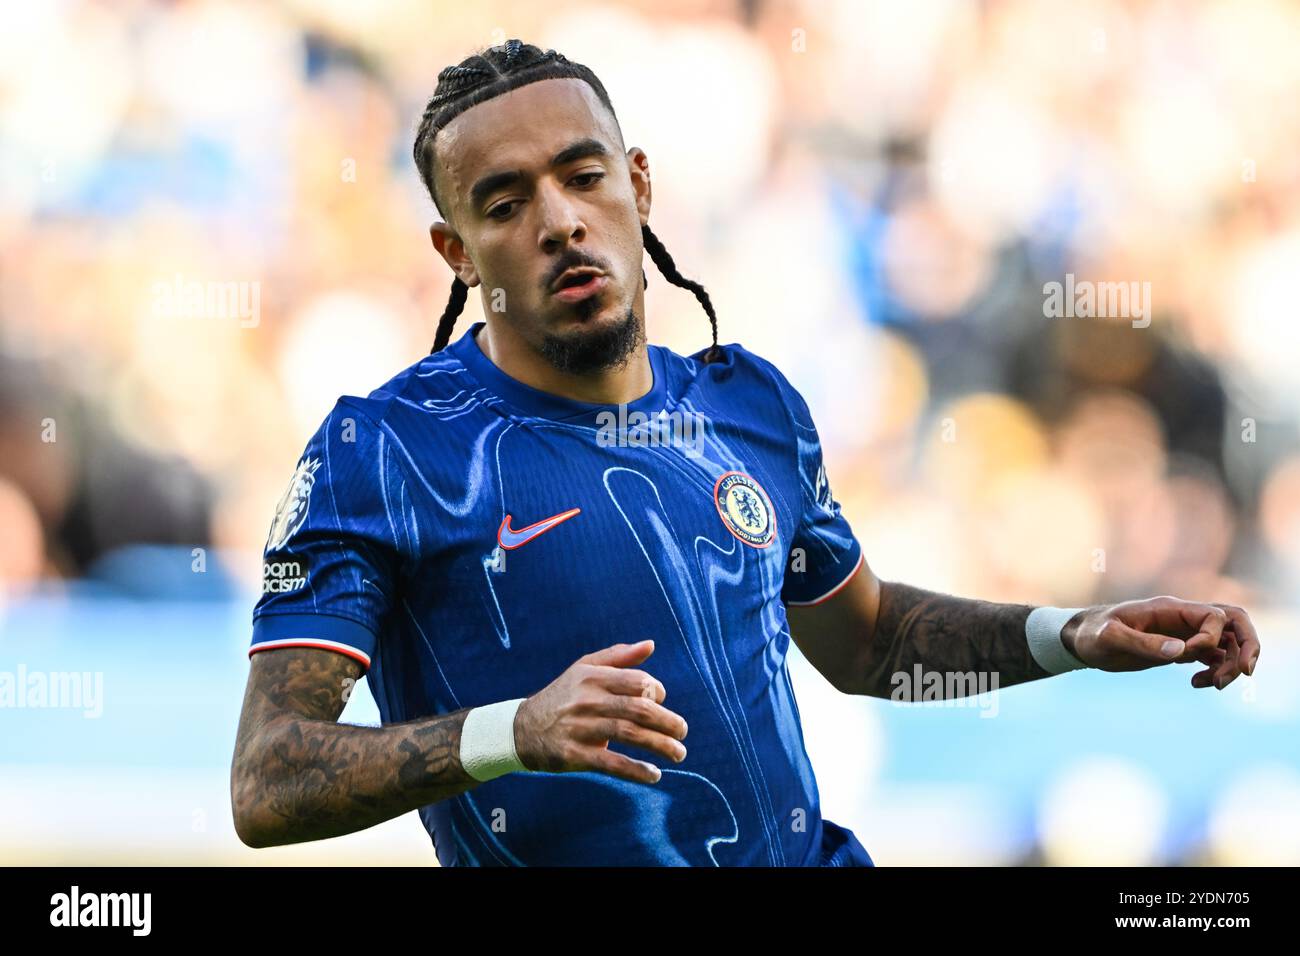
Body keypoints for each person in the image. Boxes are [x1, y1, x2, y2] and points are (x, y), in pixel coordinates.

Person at [230, 40, 1260, 866]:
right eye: (503, 204)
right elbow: (267, 783)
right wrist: (511, 732)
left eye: (583, 177)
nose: (558, 222)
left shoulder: (750, 400)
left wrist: (1072, 632)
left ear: (637, 184)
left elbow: (870, 644)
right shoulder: (386, 447)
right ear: (454, 251)